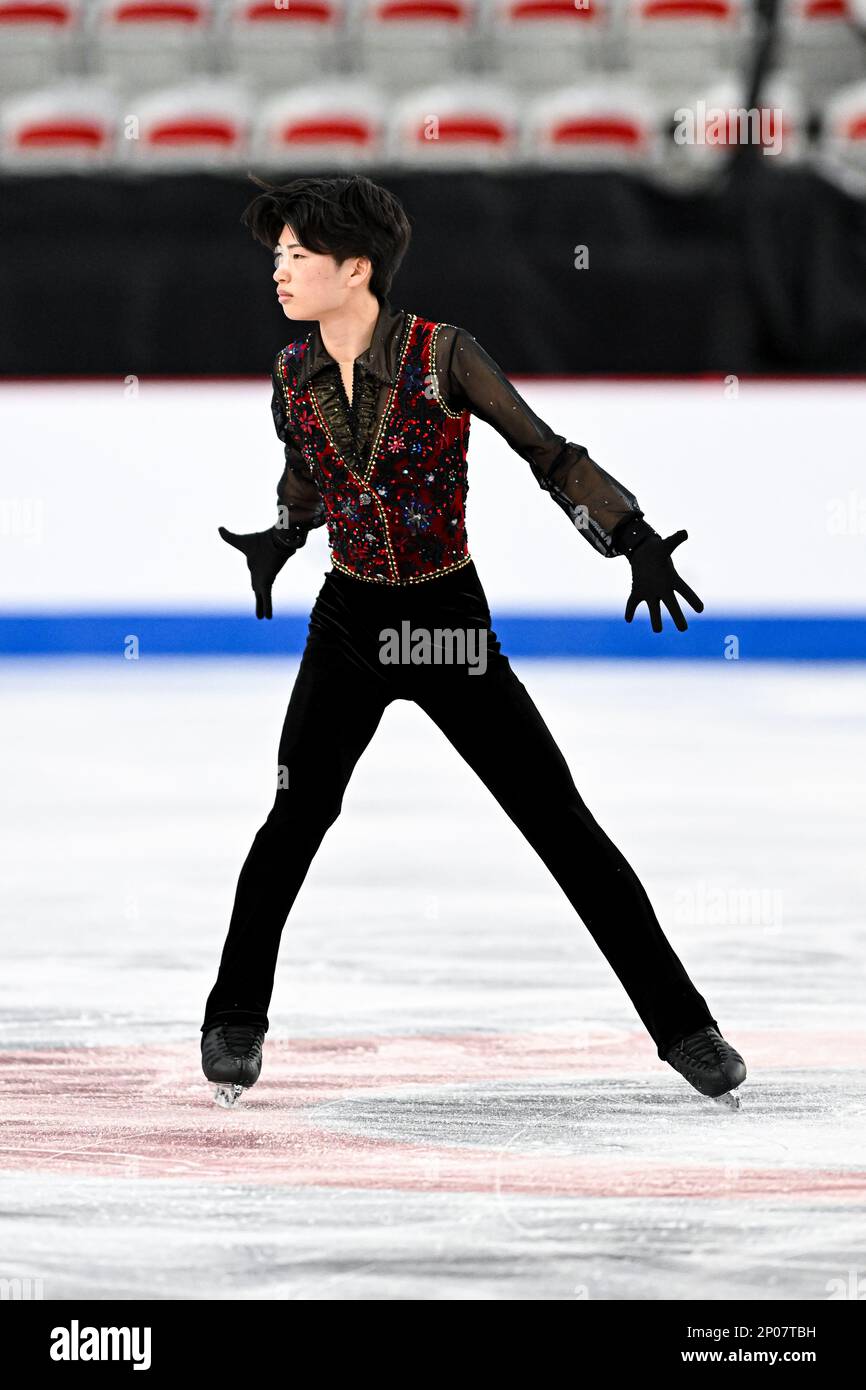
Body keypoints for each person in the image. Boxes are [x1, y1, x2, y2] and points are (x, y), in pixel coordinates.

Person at [200, 174, 746, 1110]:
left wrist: (632, 535)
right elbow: (306, 473)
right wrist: (284, 537)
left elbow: (548, 454)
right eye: (277, 255)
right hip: (349, 625)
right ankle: (234, 1019)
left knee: (558, 821)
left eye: (297, 255)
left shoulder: (442, 353)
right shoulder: (291, 372)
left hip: (446, 627)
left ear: (356, 268)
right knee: (293, 818)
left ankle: (686, 1027)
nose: (278, 271)